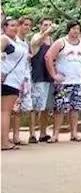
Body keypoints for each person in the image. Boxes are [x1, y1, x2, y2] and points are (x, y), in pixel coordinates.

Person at [45, 20, 81, 143]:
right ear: (69, 29)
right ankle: (56, 134)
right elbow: (48, 56)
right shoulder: (61, 42)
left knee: (75, 108)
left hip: (78, 81)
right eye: (73, 29)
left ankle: (74, 133)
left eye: (78, 29)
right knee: (60, 108)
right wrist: (54, 74)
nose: (75, 31)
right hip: (63, 82)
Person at [29, 17, 56, 143]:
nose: (48, 27)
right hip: (38, 76)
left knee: (46, 107)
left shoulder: (51, 40)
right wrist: (45, 33)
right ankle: (32, 133)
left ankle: (43, 133)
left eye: (50, 25)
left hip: (49, 76)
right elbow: (35, 43)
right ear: (40, 26)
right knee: (35, 106)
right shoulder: (36, 37)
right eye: (45, 24)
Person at [1, 18, 25, 150]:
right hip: (7, 80)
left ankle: (4, 140)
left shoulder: (17, 43)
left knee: (6, 111)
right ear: (5, 27)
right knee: (4, 111)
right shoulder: (4, 39)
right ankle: (3, 142)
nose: (14, 28)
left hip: (15, 80)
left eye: (16, 26)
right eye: (11, 25)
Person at [10, 16, 33, 145]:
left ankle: (16, 136)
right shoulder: (12, 40)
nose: (27, 28)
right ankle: (5, 135)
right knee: (10, 108)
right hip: (13, 77)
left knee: (19, 108)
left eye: (29, 25)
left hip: (24, 77)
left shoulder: (25, 42)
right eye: (25, 25)